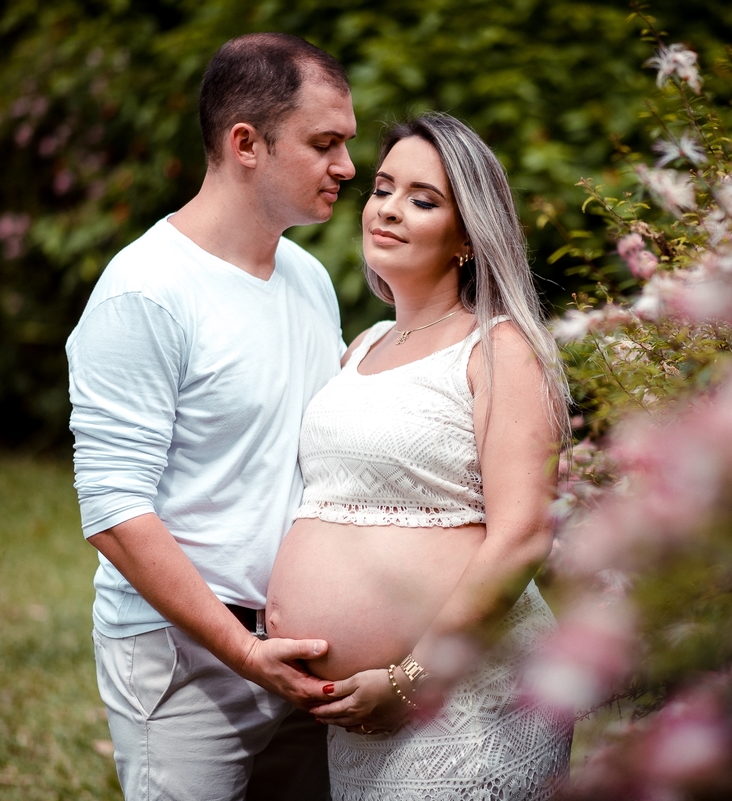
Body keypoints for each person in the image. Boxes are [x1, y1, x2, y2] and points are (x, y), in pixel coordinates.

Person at [66, 33, 355, 800]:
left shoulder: (309, 275)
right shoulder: (146, 291)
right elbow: (114, 511)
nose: (348, 168)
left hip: (304, 646)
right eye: (325, 143)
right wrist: (243, 649)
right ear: (245, 143)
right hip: (184, 655)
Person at [265, 112, 574, 800]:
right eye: (382, 189)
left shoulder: (501, 348)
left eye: (423, 199)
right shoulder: (363, 345)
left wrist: (411, 679)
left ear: (467, 235)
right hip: (359, 714)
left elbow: (523, 534)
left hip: (466, 699)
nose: (389, 210)